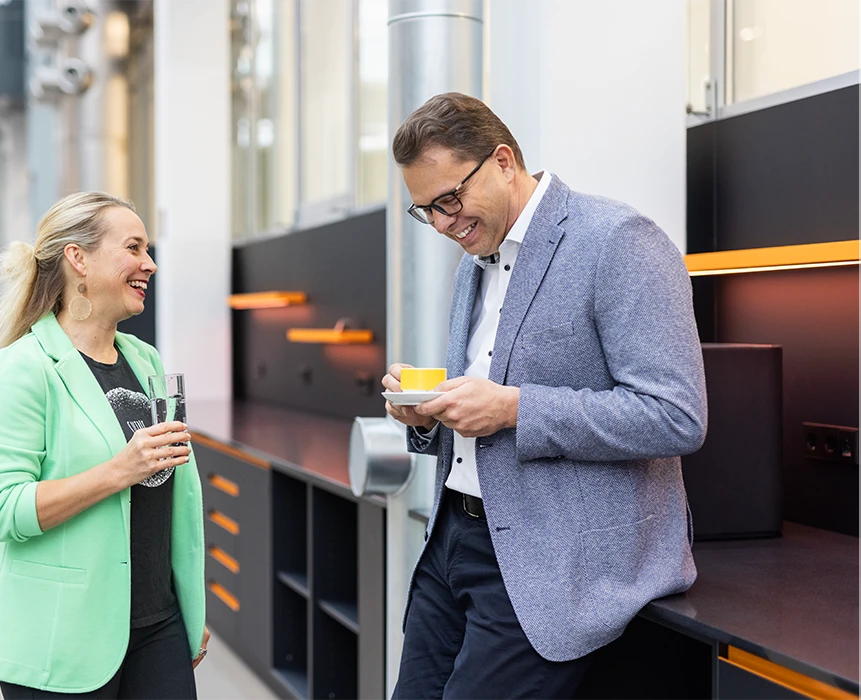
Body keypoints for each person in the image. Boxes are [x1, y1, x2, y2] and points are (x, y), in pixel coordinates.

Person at [382, 93, 708, 699]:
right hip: (453, 539)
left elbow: (676, 415)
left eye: (450, 201)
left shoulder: (618, 241)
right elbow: (480, 405)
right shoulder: (473, 263)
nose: (445, 225)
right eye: (427, 211)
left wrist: (514, 408)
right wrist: (424, 416)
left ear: (503, 161)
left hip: (554, 561)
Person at [0, 192, 208, 698]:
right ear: (78, 259)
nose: (149, 264)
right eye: (133, 247)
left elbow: (171, 499)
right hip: (63, 641)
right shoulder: (24, 368)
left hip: (159, 628)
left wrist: (190, 605)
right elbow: (8, 510)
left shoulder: (146, 360)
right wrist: (119, 470)